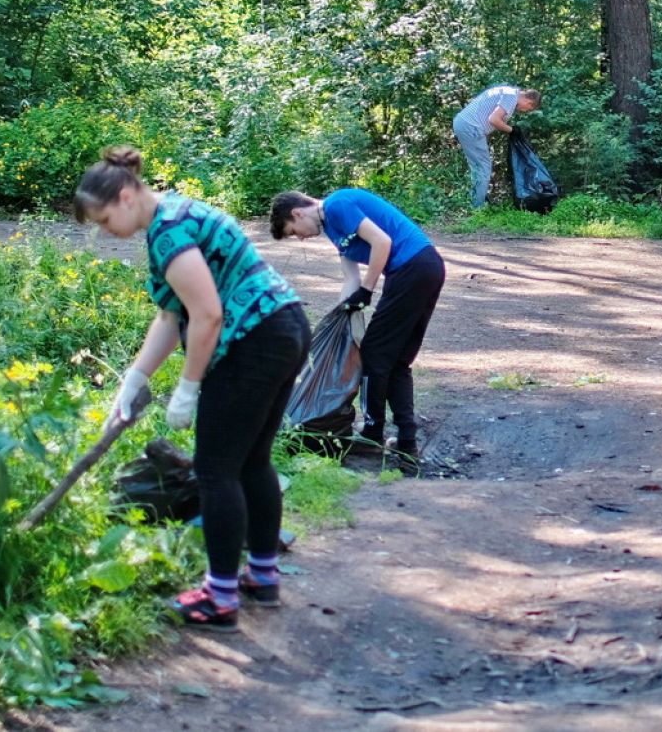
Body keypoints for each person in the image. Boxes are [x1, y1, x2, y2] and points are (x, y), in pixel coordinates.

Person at [76, 147, 310, 633]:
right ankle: (262, 577)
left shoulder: (169, 233)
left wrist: (188, 387)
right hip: (284, 327)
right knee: (252, 461)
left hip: (254, 340)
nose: (104, 232)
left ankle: (219, 598)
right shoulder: (175, 215)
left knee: (215, 470)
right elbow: (170, 315)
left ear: (124, 197)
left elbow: (207, 315)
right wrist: (135, 379)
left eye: (103, 220)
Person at [269, 187, 444, 473]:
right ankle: (407, 441)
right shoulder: (333, 229)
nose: (300, 237)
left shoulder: (337, 205)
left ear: (297, 213)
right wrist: (340, 315)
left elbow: (382, 242)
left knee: (374, 353)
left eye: (293, 231)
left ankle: (373, 432)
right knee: (395, 360)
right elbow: (350, 277)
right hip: (420, 270)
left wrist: (367, 290)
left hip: (414, 268)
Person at [452, 84, 541, 208]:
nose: (525, 111)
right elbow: (493, 119)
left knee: (477, 167)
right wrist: (512, 130)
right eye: (529, 109)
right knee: (483, 167)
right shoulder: (511, 97)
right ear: (529, 101)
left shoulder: (507, 91)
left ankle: (474, 199)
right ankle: (477, 207)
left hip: (464, 124)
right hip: (471, 127)